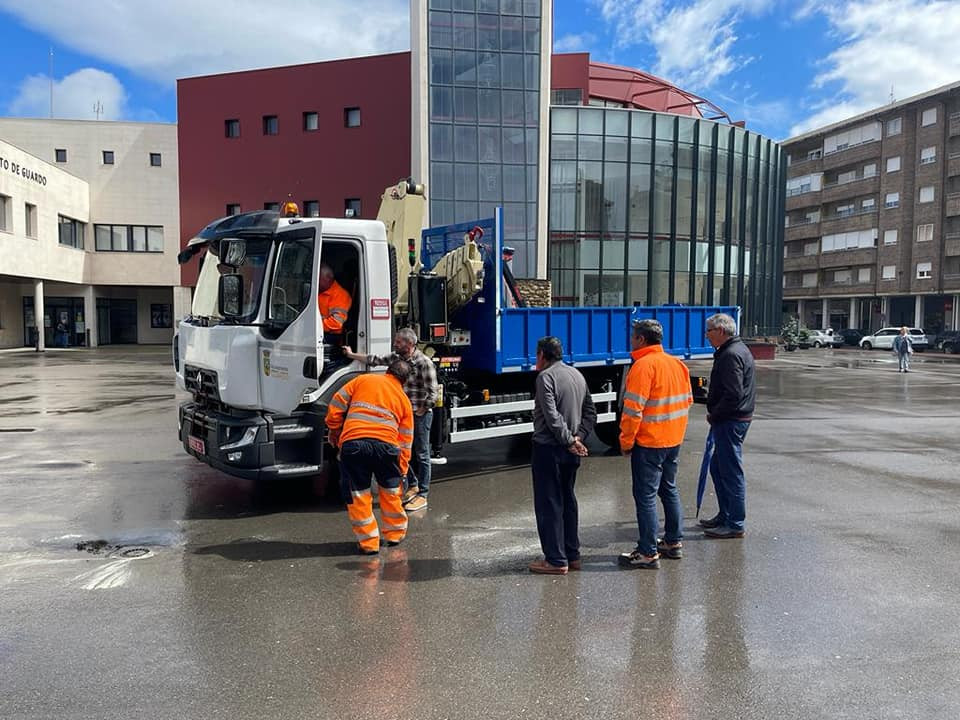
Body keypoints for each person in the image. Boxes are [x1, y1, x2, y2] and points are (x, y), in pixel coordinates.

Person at [618, 319, 694, 570]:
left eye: (633, 337)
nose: (631, 340)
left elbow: (632, 410)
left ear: (641, 339)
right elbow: (687, 401)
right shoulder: (677, 364)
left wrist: (626, 442)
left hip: (649, 442)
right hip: (673, 439)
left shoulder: (643, 366)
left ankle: (648, 552)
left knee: (646, 496)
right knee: (669, 489)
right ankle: (673, 542)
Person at [343, 327, 438, 512]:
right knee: (401, 452)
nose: (395, 344)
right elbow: (374, 360)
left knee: (422, 454)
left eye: (399, 342)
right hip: (401, 416)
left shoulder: (424, 363)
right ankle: (413, 485)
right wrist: (351, 354)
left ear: (410, 344)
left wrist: (421, 410)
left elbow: (433, 394)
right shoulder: (396, 359)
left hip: (418, 415)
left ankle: (423, 495)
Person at [325, 358, 414, 555]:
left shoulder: (363, 380)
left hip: (354, 444)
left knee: (359, 494)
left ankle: (369, 543)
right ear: (405, 381)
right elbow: (406, 441)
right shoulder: (404, 401)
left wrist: (334, 430)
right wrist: (403, 470)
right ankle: (394, 534)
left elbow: (336, 403)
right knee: (391, 491)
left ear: (388, 371)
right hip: (387, 447)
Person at [528, 336, 596, 575]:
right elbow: (590, 412)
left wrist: (569, 441)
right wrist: (579, 438)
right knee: (568, 499)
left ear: (541, 355)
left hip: (549, 448)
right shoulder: (577, 375)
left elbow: (551, 416)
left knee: (549, 503)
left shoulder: (545, 377)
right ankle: (572, 554)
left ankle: (556, 559)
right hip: (570, 449)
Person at [702, 312, 756, 539]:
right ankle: (725, 514)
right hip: (732, 418)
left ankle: (735, 523)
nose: (706, 336)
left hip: (731, 420)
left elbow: (733, 394)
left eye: (709, 331)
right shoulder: (734, 350)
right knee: (717, 467)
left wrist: (715, 414)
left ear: (721, 331)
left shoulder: (731, 355)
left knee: (731, 471)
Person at [317, 263, 352, 336]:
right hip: (320, 332)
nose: (316, 282)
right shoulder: (318, 291)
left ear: (328, 278)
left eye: (318, 279)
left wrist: (314, 325)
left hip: (332, 336)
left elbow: (336, 323)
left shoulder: (341, 295)